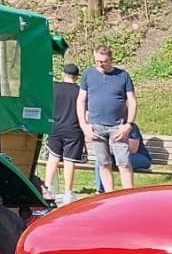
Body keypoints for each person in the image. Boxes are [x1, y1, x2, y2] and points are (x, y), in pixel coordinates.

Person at [77, 45, 139, 190]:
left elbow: (132, 101)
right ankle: (109, 194)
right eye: (97, 61)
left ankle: (129, 195)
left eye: (104, 61)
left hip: (118, 126)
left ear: (111, 60)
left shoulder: (122, 76)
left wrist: (129, 124)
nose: (100, 64)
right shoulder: (88, 74)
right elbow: (81, 100)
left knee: (124, 163)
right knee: (104, 163)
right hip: (96, 126)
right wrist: (84, 125)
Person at [40, 63, 86, 200]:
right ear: (76, 77)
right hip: (73, 129)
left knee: (53, 158)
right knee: (69, 161)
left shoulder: (53, 88)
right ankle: (68, 192)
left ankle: (47, 188)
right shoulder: (80, 91)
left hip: (55, 127)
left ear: (63, 74)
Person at [91, 123, 154, 192]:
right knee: (101, 161)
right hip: (117, 155)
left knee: (123, 161)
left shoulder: (131, 127)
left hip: (141, 157)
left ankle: (128, 191)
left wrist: (117, 146)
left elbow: (133, 149)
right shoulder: (105, 128)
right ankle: (101, 190)